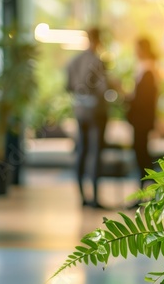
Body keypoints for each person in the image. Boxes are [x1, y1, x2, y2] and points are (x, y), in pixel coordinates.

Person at [66, 27, 110, 209]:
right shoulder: (98, 62)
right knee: (95, 152)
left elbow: (67, 86)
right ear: (98, 39)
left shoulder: (74, 62)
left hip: (80, 111)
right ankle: (94, 197)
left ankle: (83, 197)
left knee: (82, 152)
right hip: (97, 113)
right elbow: (103, 88)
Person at [126, 37, 159, 186]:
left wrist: (128, 99)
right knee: (141, 154)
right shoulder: (145, 69)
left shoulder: (148, 71)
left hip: (142, 121)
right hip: (141, 120)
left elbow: (143, 99)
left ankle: (147, 190)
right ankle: (145, 191)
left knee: (142, 154)